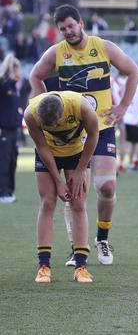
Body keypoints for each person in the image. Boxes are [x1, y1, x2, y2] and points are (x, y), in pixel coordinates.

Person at [29, 4, 138, 266]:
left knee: (107, 187)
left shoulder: (104, 47)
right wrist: (44, 99)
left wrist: (123, 105)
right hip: (73, 133)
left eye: (71, 25)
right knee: (75, 191)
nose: (68, 31)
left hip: (101, 128)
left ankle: (102, 238)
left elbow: (133, 71)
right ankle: (76, 247)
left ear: (81, 23)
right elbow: (35, 75)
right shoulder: (57, 52)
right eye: (63, 28)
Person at [24, 91, 99, 283]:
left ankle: (81, 266)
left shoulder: (81, 106)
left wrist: (81, 169)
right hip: (49, 153)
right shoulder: (30, 114)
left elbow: (94, 135)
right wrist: (58, 180)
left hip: (77, 152)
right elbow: (41, 146)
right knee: (48, 203)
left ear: (63, 114)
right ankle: (44, 266)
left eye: (56, 125)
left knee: (78, 203)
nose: (54, 129)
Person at [0, 55, 22, 203]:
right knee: (4, 161)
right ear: (11, 67)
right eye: (17, 67)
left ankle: (10, 191)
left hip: (14, 129)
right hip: (4, 129)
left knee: (12, 160)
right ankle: (3, 192)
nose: (19, 70)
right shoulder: (4, 84)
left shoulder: (13, 86)